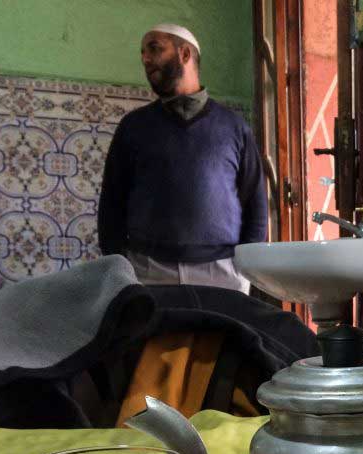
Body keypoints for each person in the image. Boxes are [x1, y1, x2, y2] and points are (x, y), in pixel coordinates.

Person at [97, 23, 268, 293]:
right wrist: (121, 267)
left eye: (154, 48)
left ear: (185, 54)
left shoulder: (234, 127)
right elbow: (111, 205)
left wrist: (244, 268)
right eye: (142, 52)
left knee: (224, 337)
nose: (145, 59)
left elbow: (255, 204)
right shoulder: (133, 126)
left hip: (223, 273)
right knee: (158, 338)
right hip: (148, 271)